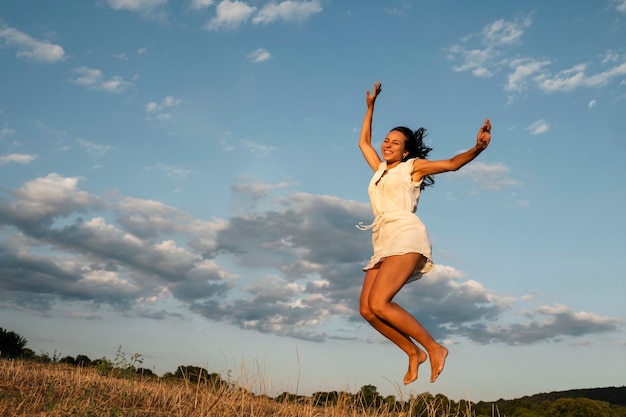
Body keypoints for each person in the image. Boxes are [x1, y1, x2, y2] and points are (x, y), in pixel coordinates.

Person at [357, 81, 491, 385]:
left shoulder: (412, 168)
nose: (387, 144)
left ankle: (434, 347)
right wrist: (370, 107)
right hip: (383, 239)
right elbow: (364, 142)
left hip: (406, 235)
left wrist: (477, 148)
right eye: (387, 140)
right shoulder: (379, 170)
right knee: (367, 309)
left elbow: (452, 164)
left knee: (380, 303)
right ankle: (413, 353)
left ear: (406, 152)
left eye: (395, 142)